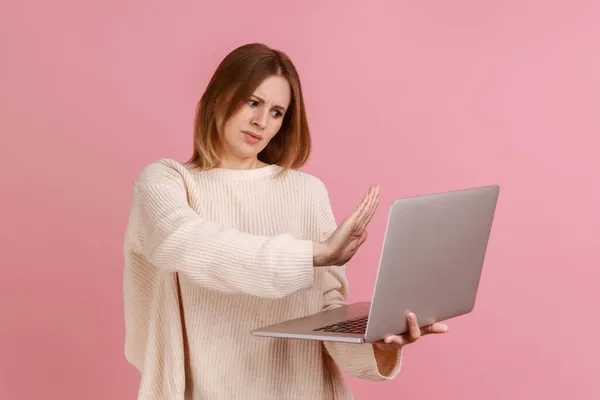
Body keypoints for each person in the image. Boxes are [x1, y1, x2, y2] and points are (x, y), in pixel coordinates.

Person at [123, 42, 448, 400]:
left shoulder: (306, 192)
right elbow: (185, 243)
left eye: (277, 112)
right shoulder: (167, 181)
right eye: (253, 102)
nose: (262, 122)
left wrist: (384, 343)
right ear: (218, 96)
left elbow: (326, 315)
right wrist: (313, 254)